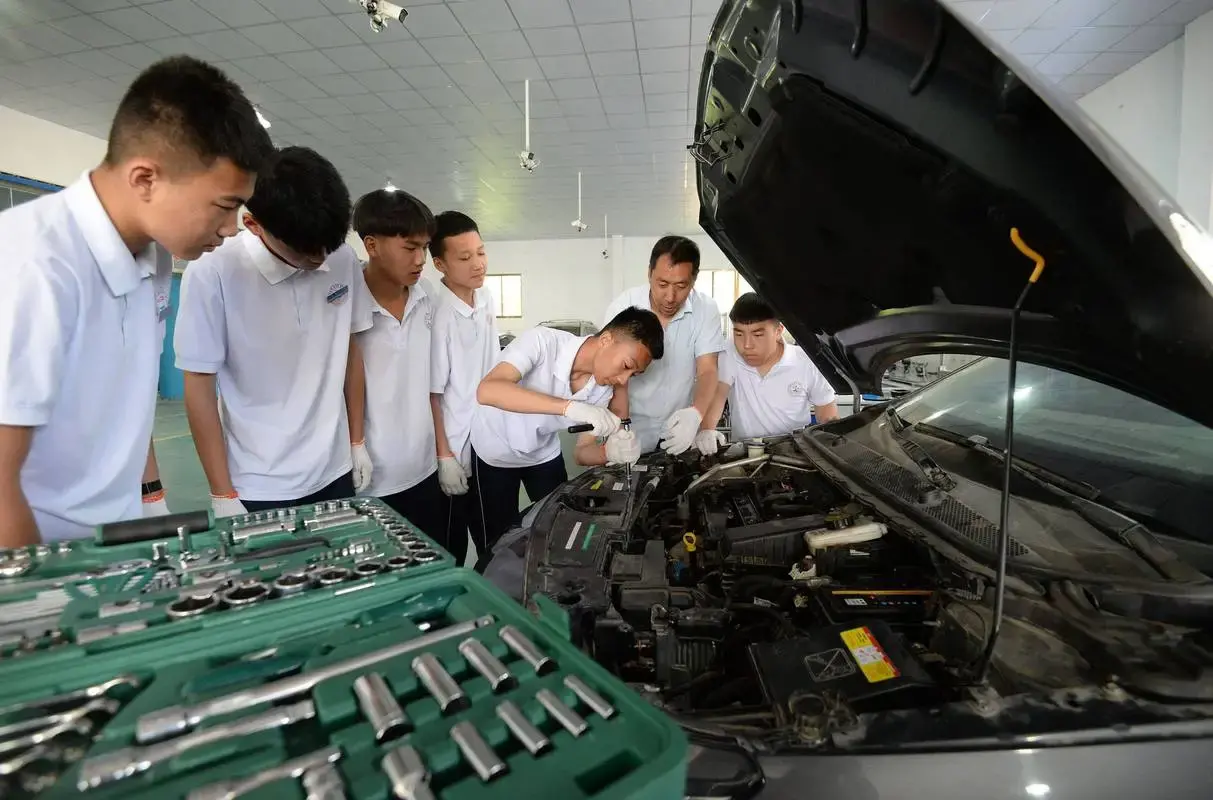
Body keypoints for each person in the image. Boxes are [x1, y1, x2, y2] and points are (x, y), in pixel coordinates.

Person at [0, 56, 273, 545]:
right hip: (49, 565)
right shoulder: (33, 264)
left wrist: (148, 500)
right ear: (146, 179)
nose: (231, 230)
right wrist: (36, 609)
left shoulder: (153, 257)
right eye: (225, 206)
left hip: (115, 546)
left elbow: (122, 396)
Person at [174, 146, 373, 517]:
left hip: (334, 469)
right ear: (253, 224)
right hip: (257, 481)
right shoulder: (213, 272)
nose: (319, 260)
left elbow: (350, 348)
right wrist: (222, 491)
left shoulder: (341, 258)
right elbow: (199, 383)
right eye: (304, 251)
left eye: (326, 248)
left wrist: (356, 440)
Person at [471, 307, 664, 561]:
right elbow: (487, 390)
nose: (624, 379)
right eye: (627, 366)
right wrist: (568, 407)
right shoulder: (541, 342)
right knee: (496, 545)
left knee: (560, 523)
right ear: (606, 339)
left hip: (542, 452)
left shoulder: (605, 388)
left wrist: (611, 451)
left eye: (634, 374)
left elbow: (582, 453)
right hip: (495, 450)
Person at [351, 188, 447, 543]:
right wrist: (355, 444)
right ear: (372, 245)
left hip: (423, 471)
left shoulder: (428, 298)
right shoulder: (344, 301)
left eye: (424, 247)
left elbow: (434, 382)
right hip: (368, 479)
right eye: (410, 248)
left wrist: (443, 453)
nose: (420, 259)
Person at [602, 236, 725, 456]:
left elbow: (708, 369)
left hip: (680, 427)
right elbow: (615, 378)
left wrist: (697, 414)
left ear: (694, 280)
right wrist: (620, 431)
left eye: (681, 286)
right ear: (649, 273)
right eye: (662, 284)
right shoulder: (623, 307)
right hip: (633, 427)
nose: (670, 297)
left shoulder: (705, 309)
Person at [428, 211, 498, 565]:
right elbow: (433, 395)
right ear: (440, 263)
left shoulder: (485, 301)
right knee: (451, 547)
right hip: (455, 451)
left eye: (481, 253)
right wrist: (444, 457)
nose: (478, 264)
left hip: (487, 444)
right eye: (465, 257)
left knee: (493, 540)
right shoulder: (438, 314)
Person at [699, 293, 839, 447]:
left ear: (778, 331)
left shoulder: (806, 362)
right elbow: (718, 394)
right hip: (744, 456)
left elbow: (827, 412)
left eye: (758, 334)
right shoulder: (729, 352)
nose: (746, 345)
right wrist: (706, 429)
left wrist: (833, 441)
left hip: (795, 455)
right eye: (738, 333)